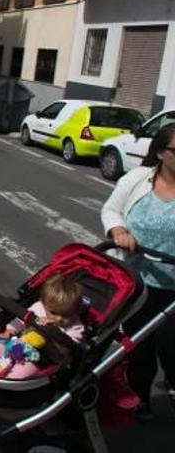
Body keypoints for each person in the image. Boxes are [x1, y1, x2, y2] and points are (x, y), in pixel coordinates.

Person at [101, 123, 175, 419]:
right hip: (135, 281)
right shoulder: (137, 179)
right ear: (161, 152)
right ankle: (139, 396)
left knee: (171, 346)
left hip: (174, 288)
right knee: (138, 345)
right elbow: (111, 210)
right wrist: (118, 230)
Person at [0, 273, 85, 379]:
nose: (59, 319)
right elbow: (20, 320)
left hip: (41, 356)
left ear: (76, 311)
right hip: (19, 341)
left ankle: (8, 380)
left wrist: (53, 334)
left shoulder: (76, 327)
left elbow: (68, 350)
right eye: (53, 313)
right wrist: (11, 329)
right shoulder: (38, 308)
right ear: (43, 303)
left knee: (26, 368)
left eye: (66, 315)